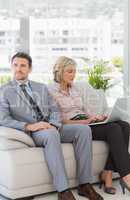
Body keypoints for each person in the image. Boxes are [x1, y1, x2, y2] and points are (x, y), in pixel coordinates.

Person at [0, 52, 104, 200]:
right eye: (15, 65)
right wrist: (30, 126)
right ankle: (63, 190)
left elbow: (54, 109)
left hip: (52, 127)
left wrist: (54, 124)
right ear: (11, 67)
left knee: (84, 130)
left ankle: (84, 184)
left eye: (23, 65)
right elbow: (3, 119)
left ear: (29, 69)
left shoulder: (40, 87)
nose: (19, 69)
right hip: (32, 131)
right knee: (51, 134)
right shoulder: (4, 90)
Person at [48, 56, 130, 196]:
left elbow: (83, 110)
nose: (73, 75)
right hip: (74, 127)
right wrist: (84, 122)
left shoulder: (74, 89)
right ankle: (128, 176)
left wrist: (96, 117)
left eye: (74, 71)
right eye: (70, 71)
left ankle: (107, 173)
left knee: (124, 125)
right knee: (114, 129)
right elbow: (59, 120)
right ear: (59, 72)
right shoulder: (50, 90)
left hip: (87, 122)